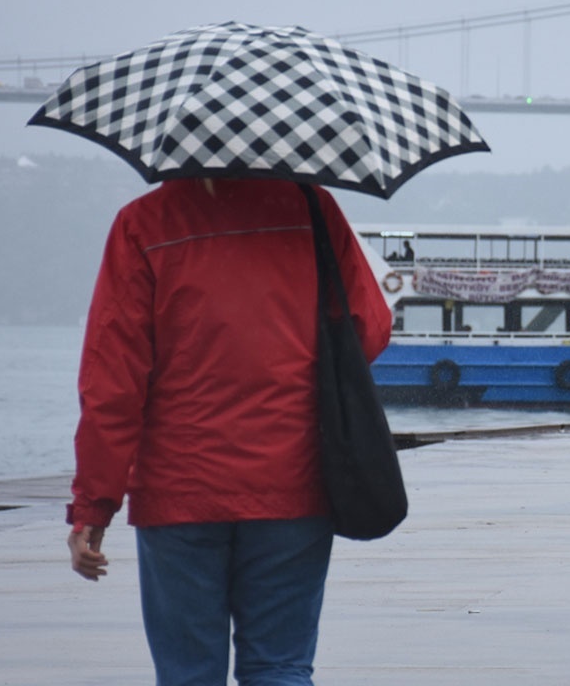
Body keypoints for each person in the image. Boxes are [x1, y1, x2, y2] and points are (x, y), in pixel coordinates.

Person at [65, 177, 392, 685]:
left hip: (180, 490)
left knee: (189, 674)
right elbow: (367, 329)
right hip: (294, 481)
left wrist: (94, 505)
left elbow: (112, 383)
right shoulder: (311, 207)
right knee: (280, 667)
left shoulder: (143, 223)